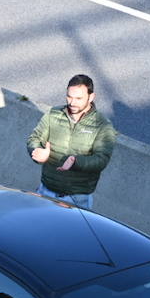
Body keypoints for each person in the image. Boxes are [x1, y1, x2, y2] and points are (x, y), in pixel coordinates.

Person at [28, 74, 116, 210]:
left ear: (91, 97)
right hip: (45, 191)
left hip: (77, 200)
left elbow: (101, 159)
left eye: (78, 98)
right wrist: (37, 151)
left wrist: (76, 162)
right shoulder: (54, 114)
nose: (72, 102)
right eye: (69, 97)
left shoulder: (102, 125)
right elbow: (34, 138)